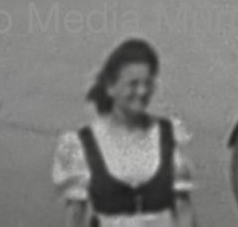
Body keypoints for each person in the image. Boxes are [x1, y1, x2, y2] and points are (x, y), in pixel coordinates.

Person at [50, 36, 196, 226]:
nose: (142, 92)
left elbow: (184, 210)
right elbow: (75, 217)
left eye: (148, 83)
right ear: (111, 87)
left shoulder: (167, 135)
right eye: (133, 84)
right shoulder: (82, 144)